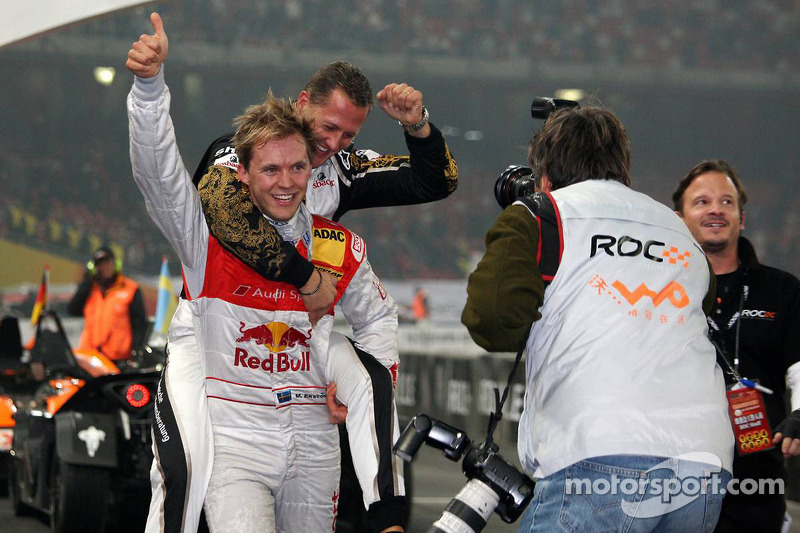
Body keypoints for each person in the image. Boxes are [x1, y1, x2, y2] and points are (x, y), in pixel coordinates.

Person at [129, 14, 458, 533]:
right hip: (220, 328)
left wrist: (417, 126)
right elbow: (215, 209)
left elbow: (434, 182)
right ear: (303, 102)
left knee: (357, 372)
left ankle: (386, 515)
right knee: (181, 473)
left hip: (302, 342)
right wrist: (306, 275)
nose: (335, 144)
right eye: (329, 128)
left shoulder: (339, 171)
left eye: (348, 135)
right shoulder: (240, 147)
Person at [462, 106, 735, 532]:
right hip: (705, 461)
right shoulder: (680, 230)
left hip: (599, 450)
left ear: (545, 176)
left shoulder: (541, 213)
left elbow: (492, 321)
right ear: (621, 166)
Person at [672, 159, 800, 533]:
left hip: (757, 480)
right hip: (674, 475)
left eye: (726, 202)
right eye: (702, 202)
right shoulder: (659, 294)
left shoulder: (783, 290)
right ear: (680, 219)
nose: (715, 209)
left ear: (741, 218)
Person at [67, 245, 148, 362]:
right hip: (89, 357)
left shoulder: (130, 289)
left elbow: (140, 324)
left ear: (115, 264)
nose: (104, 267)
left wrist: (136, 351)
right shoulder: (89, 289)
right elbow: (73, 310)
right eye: (100, 264)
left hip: (119, 358)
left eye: (106, 263)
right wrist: (86, 284)